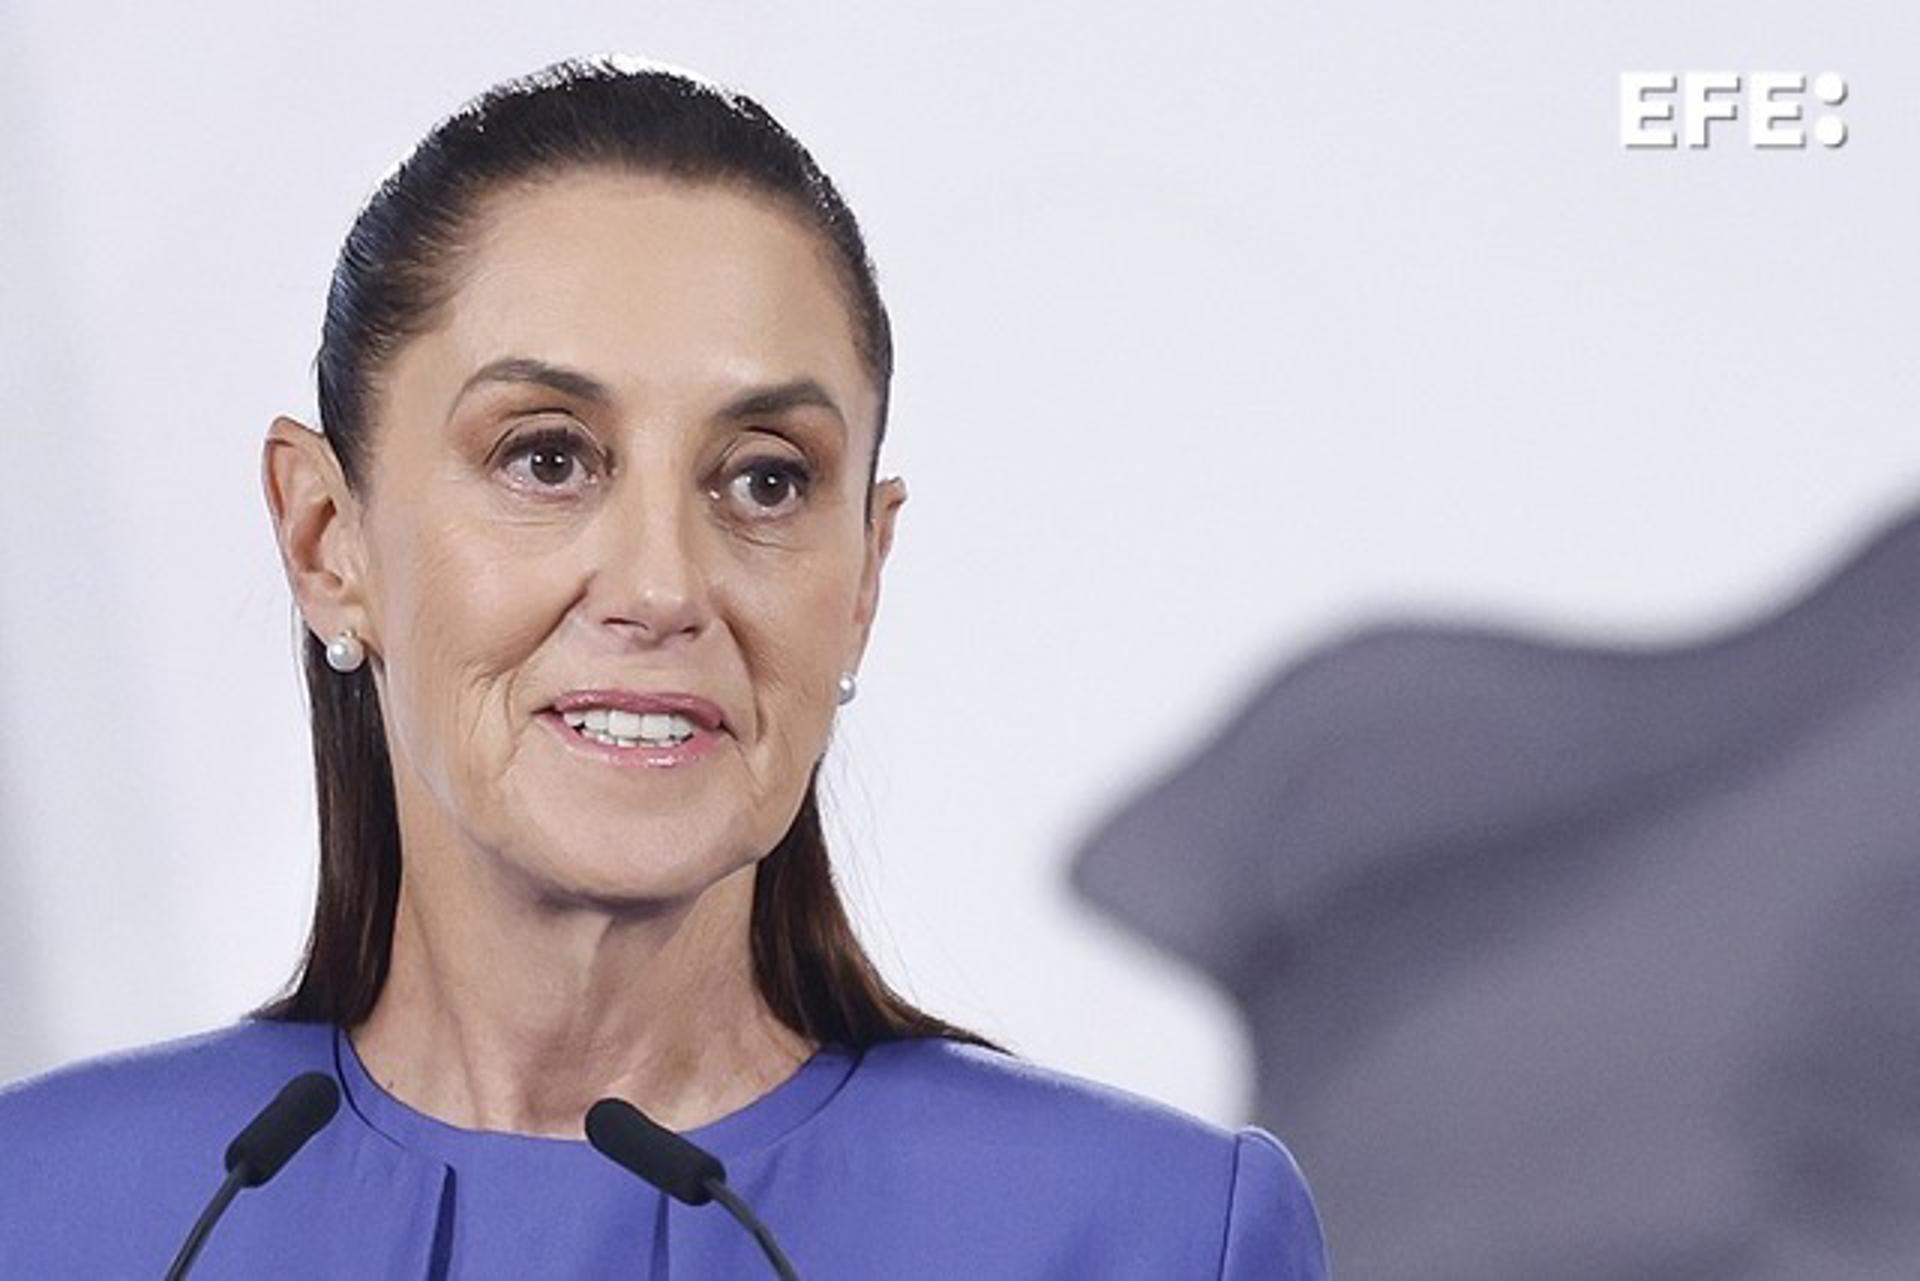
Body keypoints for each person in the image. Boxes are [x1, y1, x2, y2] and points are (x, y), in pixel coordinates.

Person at [0, 57, 1328, 1278]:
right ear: (327, 538)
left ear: (863, 575)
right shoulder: (48, 1207)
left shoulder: (1151, 1235)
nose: (661, 586)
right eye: (546, 456)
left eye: (766, 478)